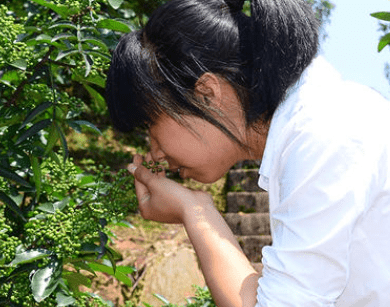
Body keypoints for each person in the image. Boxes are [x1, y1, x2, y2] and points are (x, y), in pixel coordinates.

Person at [105, 0, 390, 306]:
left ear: (207, 94)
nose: (154, 153)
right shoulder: (314, 126)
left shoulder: (324, 132)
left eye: (150, 124)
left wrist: (197, 213)